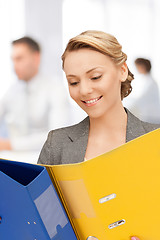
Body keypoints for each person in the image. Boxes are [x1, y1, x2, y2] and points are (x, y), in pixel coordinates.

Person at [38, 30, 160, 240]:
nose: (84, 90)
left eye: (95, 77)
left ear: (122, 71)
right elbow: (40, 223)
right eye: (73, 82)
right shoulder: (56, 144)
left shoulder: (154, 142)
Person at [0, 36, 71, 152]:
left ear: (36, 58)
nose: (14, 66)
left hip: (41, 162)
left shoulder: (55, 88)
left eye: (19, 59)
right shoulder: (12, 91)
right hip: (13, 160)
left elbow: (58, 136)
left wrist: (10, 145)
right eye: (12, 60)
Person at [123, 57, 160, 123]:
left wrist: (125, 107)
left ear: (143, 67)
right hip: (148, 115)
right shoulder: (145, 80)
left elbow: (141, 99)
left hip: (152, 116)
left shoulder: (150, 83)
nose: (137, 69)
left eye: (137, 67)